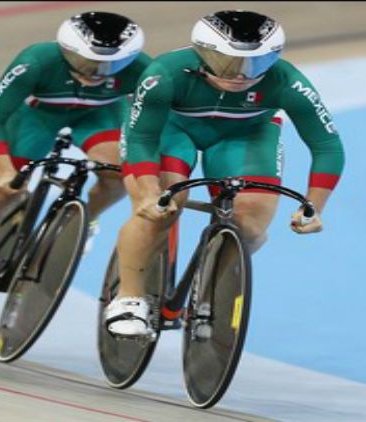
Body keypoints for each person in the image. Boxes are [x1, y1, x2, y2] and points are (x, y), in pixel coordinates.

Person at [105, 10, 345, 337]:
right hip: (172, 131)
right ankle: (128, 298)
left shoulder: (289, 82)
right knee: (159, 208)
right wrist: (148, 191)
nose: (242, 75)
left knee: (250, 227)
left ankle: (207, 295)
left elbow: (327, 145)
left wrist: (315, 207)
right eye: (228, 62)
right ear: (202, 54)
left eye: (257, 64)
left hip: (245, 136)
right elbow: (142, 137)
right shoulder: (164, 74)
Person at [0, 11, 152, 322]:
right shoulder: (35, 62)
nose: (100, 72)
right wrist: (6, 171)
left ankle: (88, 220)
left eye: (113, 65)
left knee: (114, 172)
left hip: (98, 116)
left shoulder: (143, 68)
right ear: (67, 51)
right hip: (37, 118)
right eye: (89, 62)